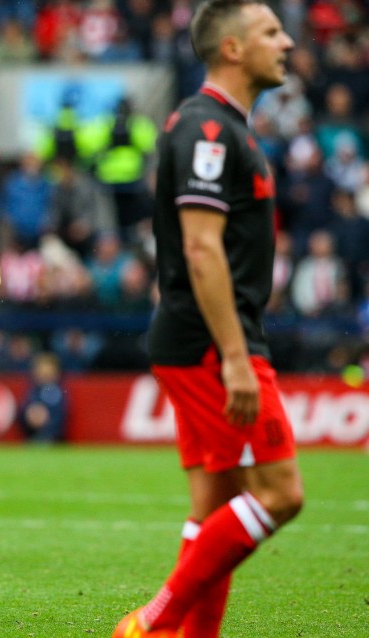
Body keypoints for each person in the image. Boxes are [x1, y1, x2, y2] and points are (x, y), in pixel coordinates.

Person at [112, 2, 302, 636]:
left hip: (196, 337)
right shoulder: (209, 131)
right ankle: (150, 622)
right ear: (232, 48)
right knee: (279, 494)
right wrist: (236, 356)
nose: (289, 41)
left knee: (216, 505)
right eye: (272, 32)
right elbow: (200, 247)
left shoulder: (227, 128)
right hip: (209, 343)